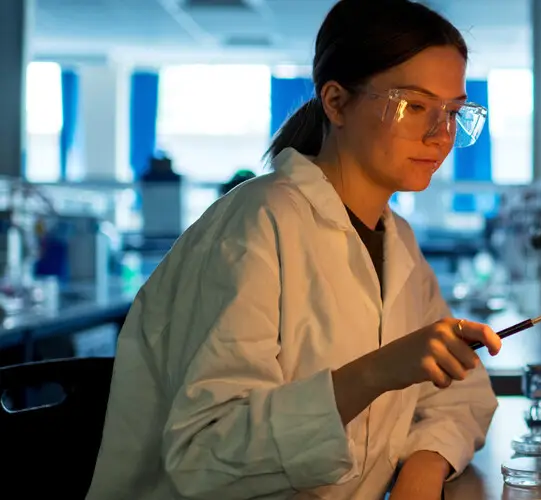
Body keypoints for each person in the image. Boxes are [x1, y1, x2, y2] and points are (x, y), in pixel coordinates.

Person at [85, 1, 500, 498]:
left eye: (453, 111)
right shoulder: (257, 223)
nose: (441, 135)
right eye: (414, 106)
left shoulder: (396, 238)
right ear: (336, 101)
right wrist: (378, 372)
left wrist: (424, 466)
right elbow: (202, 452)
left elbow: (461, 394)